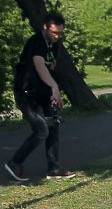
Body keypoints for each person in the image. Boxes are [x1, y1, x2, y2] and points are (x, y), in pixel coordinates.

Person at [5, 11, 75, 181]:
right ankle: (15, 162)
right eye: (54, 32)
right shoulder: (36, 41)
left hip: (43, 93)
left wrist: (54, 92)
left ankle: (53, 168)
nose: (57, 36)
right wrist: (54, 86)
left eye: (60, 32)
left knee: (53, 126)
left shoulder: (54, 45)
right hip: (26, 93)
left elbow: (50, 68)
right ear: (45, 27)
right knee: (41, 129)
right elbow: (39, 65)